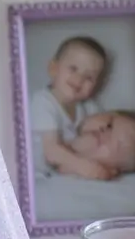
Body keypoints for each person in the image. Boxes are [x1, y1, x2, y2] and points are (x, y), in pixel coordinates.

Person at [30, 36, 110, 180]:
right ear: (53, 69)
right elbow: (51, 151)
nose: (79, 79)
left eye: (89, 77)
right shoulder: (43, 101)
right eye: (73, 69)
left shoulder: (89, 107)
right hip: (35, 169)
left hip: (58, 171)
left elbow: (103, 134)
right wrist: (84, 167)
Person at [67, 110, 135, 180]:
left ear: (111, 171)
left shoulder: (78, 176)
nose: (104, 133)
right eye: (109, 125)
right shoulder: (76, 109)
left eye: (117, 145)